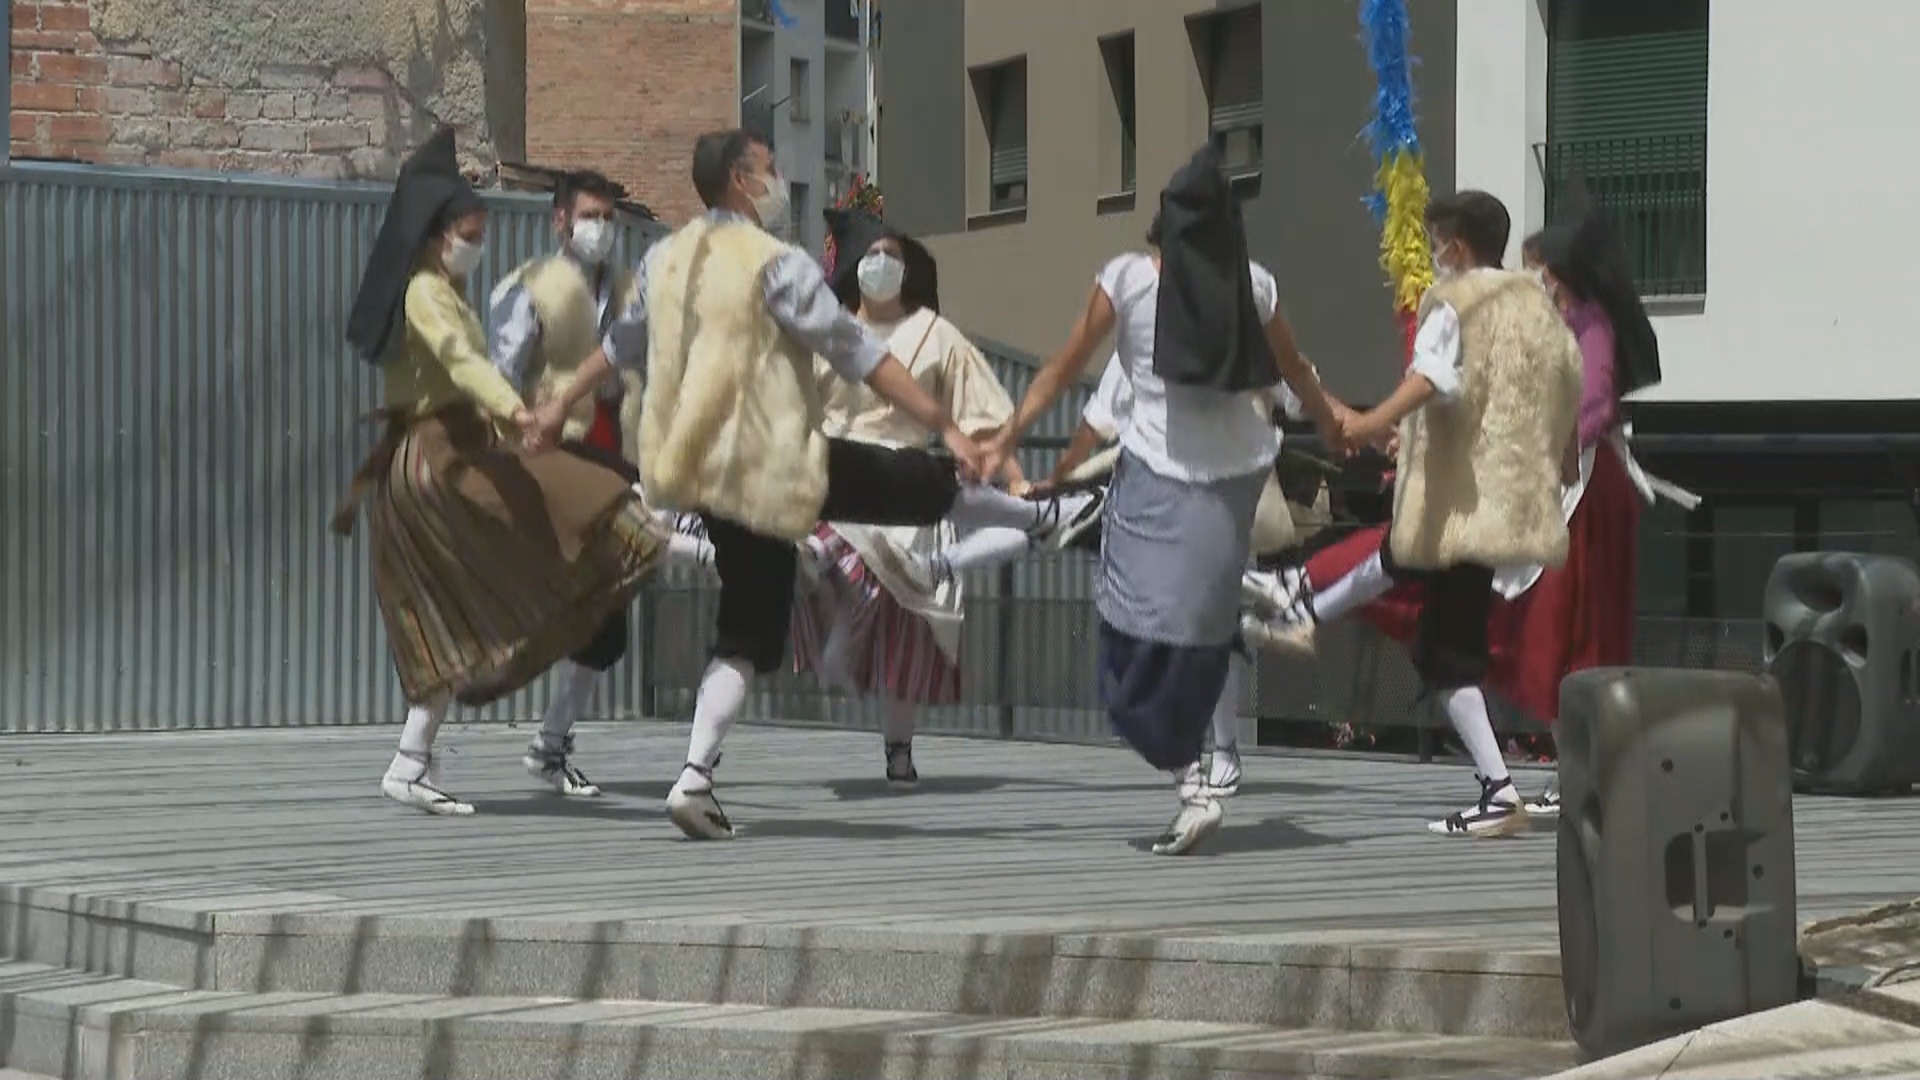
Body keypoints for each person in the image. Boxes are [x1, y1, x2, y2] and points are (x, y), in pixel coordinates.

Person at [607, 128, 1101, 840]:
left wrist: (554, 406)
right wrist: (944, 421)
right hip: (777, 460)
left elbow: (618, 344)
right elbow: (855, 351)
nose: (780, 180)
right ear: (743, 183)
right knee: (917, 480)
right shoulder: (773, 263)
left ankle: (694, 778)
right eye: (771, 169)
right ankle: (1044, 522)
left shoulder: (661, 260)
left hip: (703, 471)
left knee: (745, 630)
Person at [980, 144, 1347, 856]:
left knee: (1123, 640)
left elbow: (1061, 371)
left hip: (1158, 474)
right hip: (1239, 475)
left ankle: (1191, 782)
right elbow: (1296, 370)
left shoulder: (1128, 281)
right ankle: (1254, 608)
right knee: (1199, 635)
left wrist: (1009, 438)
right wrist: (1336, 425)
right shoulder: (1257, 286)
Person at [333, 127, 669, 816]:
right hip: (439, 461)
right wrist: (520, 418)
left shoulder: (444, 287)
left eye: (480, 230)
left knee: (454, 613)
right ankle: (679, 542)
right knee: (582, 503)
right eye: (467, 230)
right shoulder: (427, 294)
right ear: (433, 233)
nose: (476, 242)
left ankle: (410, 762)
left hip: (453, 451)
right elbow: (465, 365)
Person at [787, 209, 1093, 790]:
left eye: (895, 256)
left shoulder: (935, 334)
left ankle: (899, 749)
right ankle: (831, 604)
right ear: (855, 263)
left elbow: (983, 415)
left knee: (910, 631)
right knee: (831, 549)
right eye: (875, 254)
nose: (885, 265)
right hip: (838, 480)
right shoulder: (827, 333)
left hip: (907, 486)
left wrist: (1017, 483)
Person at [1336, 190, 1583, 838]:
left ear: (1459, 244)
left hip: (1463, 505)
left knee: (1446, 648)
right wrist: (1562, 460)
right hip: (1506, 502)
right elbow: (1563, 384)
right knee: (1453, 646)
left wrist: (1368, 422)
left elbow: (1433, 381)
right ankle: (1499, 786)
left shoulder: (1458, 303)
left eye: (1438, 240)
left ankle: (1499, 790)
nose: (1434, 253)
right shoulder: (1533, 308)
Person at [485, 167, 714, 799]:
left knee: (606, 621)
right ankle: (417, 750)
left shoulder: (627, 287)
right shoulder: (528, 289)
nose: (601, 229)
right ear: (560, 220)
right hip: (558, 460)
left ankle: (551, 743)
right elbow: (500, 376)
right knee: (531, 604)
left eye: (610, 218)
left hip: (621, 453)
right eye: (590, 216)